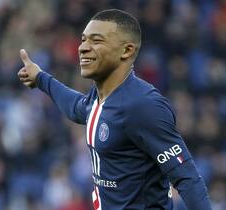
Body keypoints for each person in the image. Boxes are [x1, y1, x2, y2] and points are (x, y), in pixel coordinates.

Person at [18, 9, 212, 210]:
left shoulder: (143, 105)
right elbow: (76, 108)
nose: (83, 48)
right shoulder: (99, 98)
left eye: (96, 41)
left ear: (126, 51)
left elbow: (187, 178)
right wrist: (41, 78)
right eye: (83, 40)